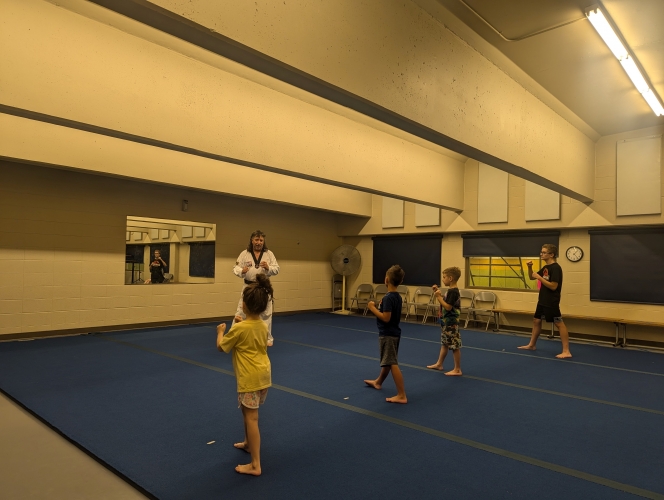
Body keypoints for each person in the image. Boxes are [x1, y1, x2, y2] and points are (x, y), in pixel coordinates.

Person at [216, 274, 273, 476]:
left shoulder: (239, 328)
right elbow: (251, 336)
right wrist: (238, 324)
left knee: (252, 418)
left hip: (249, 379)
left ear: (245, 305)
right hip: (263, 376)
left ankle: (256, 464)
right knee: (248, 412)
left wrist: (220, 331)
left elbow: (222, 347)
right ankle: (248, 443)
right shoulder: (263, 325)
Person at [518, 244, 572, 359]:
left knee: (558, 323)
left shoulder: (556, 268)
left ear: (551, 254)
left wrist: (539, 277)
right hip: (542, 300)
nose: (541, 254)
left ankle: (566, 351)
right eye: (541, 252)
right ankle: (532, 345)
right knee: (536, 321)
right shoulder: (546, 267)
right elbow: (532, 277)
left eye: (544, 252)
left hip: (551, 301)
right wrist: (530, 267)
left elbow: (553, 286)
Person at [363, 265, 407, 404]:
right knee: (388, 360)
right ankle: (378, 382)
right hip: (393, 332)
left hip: (388, 333)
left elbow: (386, 318)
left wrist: (372, 308)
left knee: (392, 362)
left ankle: (401, 394)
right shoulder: (397, 296)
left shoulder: (388, 298)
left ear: (386, 279)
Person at [232, 230, 279, 346]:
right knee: (241, 311)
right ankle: (234, 336)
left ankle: (267, 339)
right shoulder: (244, 253)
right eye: (256, 240)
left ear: (264, 241)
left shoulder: (269, 254)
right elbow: (235, 268)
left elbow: (277, 269)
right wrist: (241, 271)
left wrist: (268, 268)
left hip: (263, 287)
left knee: (266, 313)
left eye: (261, 240)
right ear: (252, 241)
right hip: (248, 286)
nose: (259, 242)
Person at [426, 266, 463, 376]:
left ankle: (457, 369)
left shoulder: (453, 291)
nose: (442, 279)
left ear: (450, 278)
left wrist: (438, 297)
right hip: (446, 322)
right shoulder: (450, 291)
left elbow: (448, 307)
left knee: (454, 345)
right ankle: (439, 364)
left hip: (451, 323)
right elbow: (447, 301)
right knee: (445, 343)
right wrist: (438, 293)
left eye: (444, 277)